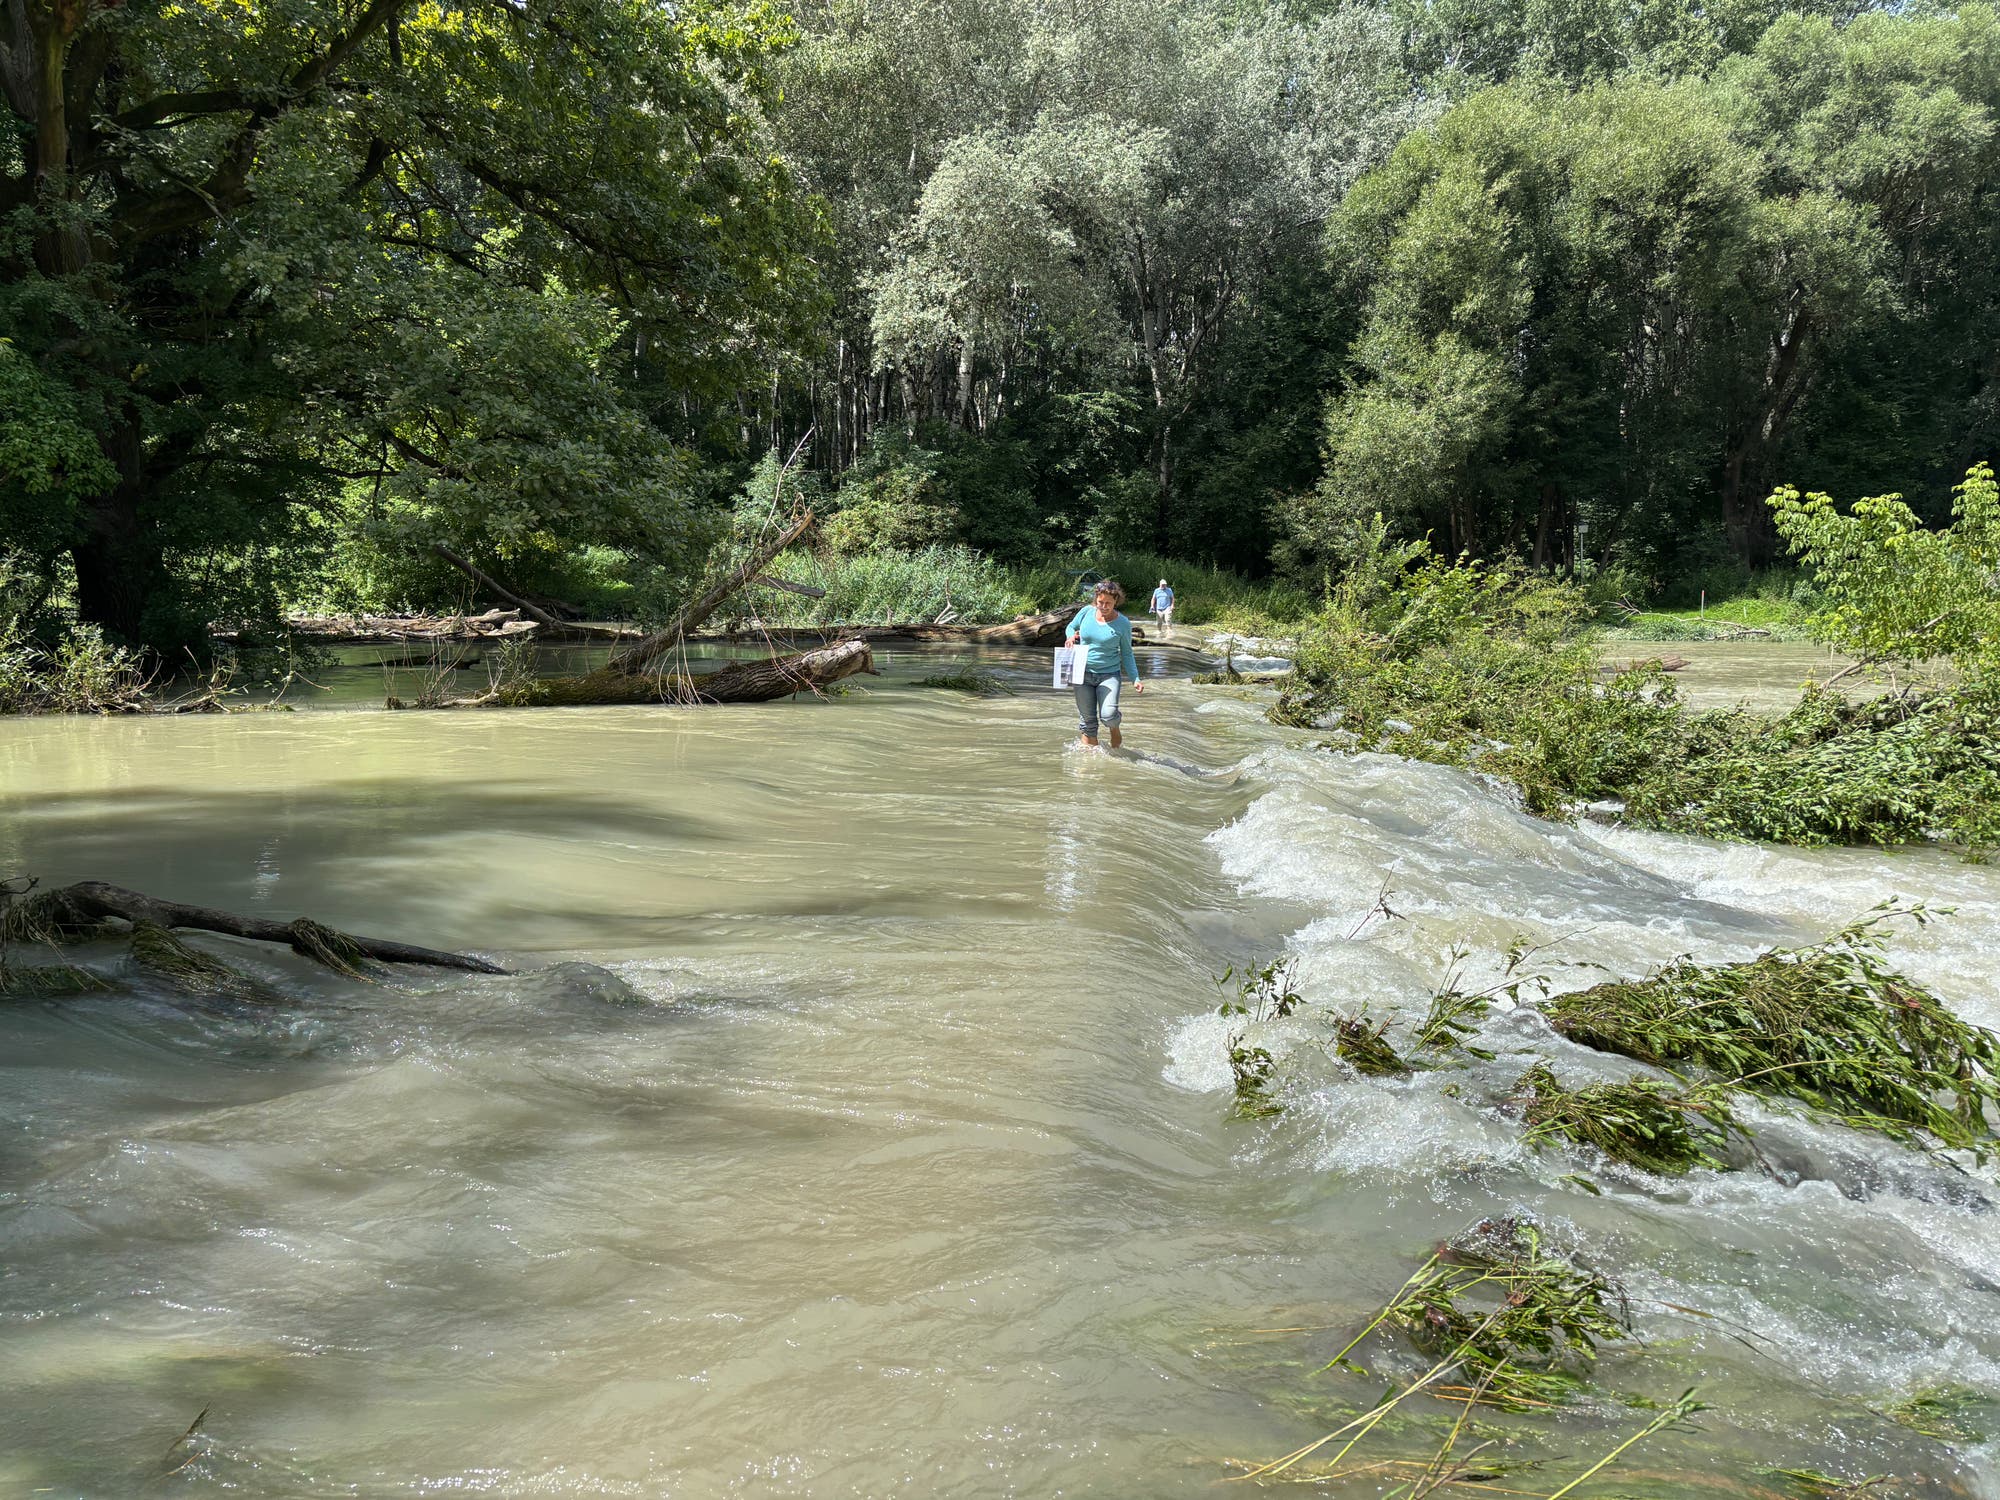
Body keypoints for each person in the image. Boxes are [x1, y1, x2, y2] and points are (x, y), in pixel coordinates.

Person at [1065, 579, 1143, 750]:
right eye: (1100, 602)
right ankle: (1091, 765)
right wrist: (1070, 636)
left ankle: (1114, 727)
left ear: (1116, 601)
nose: (1104, 606)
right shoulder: (1086, 612)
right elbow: (1071, 626)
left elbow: (1127, 654)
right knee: (1087, 721)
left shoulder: (1123, 623)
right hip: (1081, 673)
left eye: (1108, 603)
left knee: (1108, 716)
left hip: (1109, 675)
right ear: (1096, 599)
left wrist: (1135, 678)